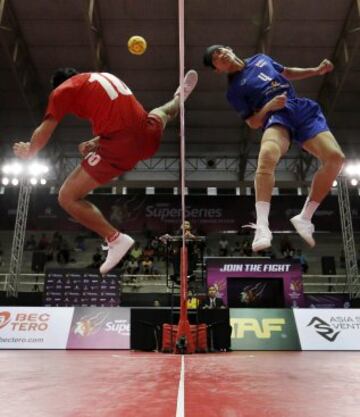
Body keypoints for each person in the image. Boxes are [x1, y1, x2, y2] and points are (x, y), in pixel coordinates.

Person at [13, 67, 198, 274]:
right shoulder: (102, 78)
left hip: (121, 148)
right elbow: (124, 120)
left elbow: (45, 129)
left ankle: (115, 238)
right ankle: (177, 98)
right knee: (162, 112)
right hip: (147, 136)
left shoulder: (62, 91)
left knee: (67, 197)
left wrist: (30, 149)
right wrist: (96, 141)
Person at [203, 46, 345, 252]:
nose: (220, 55)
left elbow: (286, 72)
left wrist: (315, 70)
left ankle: (305, 217)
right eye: (215, 58)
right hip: (275, 117)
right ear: (218, 69)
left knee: (336, 158)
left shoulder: (261, 58)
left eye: (220, 50)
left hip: (301, 109)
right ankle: (262, 227)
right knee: (267, 156)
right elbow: (252, 122)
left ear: (229, 49)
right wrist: (269, 106)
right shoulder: (234, 91)